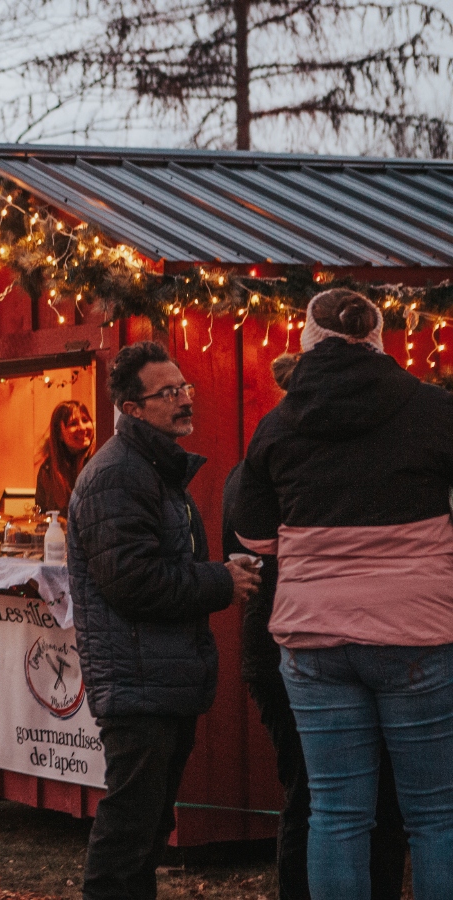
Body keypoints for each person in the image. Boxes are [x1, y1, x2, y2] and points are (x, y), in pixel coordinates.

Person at [232, 289, 453, 900]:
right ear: (379, 339)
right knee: (434, 815)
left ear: (308, 340)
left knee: (336, 812)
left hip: (314, 637)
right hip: (417, 632)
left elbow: (252, 534)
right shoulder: (434, 411)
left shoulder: (278, 424)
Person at [66, 341, 259, 900]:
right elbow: (133, 581)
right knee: (129, 832)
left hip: (161, 675)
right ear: (132, 408)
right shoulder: (117, 476)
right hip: (136, 680)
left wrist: (218, 573)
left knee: (147, 831)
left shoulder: (153, 470)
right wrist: (221, 580)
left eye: (185, 388)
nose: (183, 400)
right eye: (167, 393)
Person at [225, 351, 406, 900]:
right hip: (300, 640)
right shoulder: (282, 452)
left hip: (303, 637)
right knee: (325, 797)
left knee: (336, 799)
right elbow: (247, 541)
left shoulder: (271, 448)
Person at [35, 400, 95, 514]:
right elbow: (41, 514)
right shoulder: (48, 469)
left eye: (85, 420)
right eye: (73, 423)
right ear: (59, 434)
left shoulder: (99, 459)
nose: (82, 428)